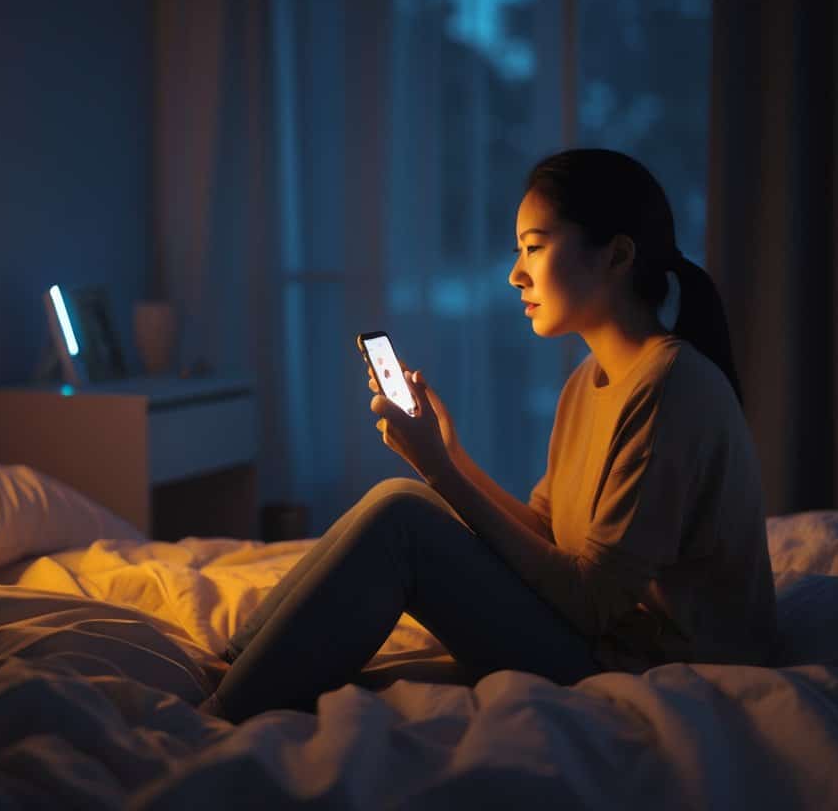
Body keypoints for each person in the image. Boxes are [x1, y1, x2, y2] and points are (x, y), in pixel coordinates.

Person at [198, 148, 778, 724]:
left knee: (404, 518)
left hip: (646, 668)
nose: (515, 273)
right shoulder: (588, 381)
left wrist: (441, 472)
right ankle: (239, 662)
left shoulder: (670, 386)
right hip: (600, 641)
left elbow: (592, 601)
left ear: (617, 255)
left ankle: (222, 710)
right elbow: (550, 534)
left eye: (534, 246)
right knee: (405, 501)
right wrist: (452, 460)